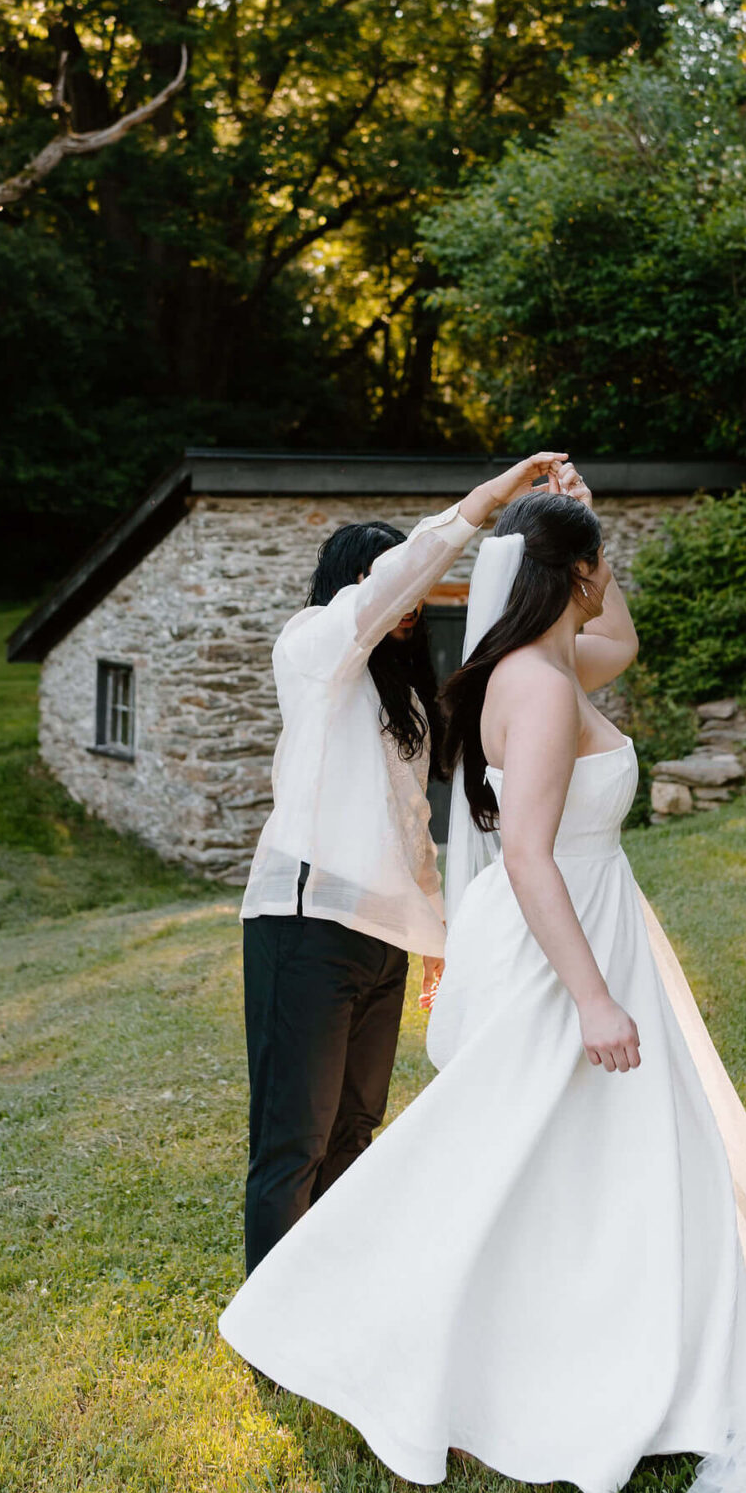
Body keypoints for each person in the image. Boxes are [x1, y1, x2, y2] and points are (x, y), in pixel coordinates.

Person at [221, 470, 746, 1493]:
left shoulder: (519, 667)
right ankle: (290, 1317)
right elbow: (532, 852)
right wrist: (594, 998)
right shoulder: (327, 647)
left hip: (455, 929)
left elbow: (602, 659)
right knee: (322, 1138)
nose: (408, 604)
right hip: (353, 926)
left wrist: (591, 543)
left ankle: (536, 1335)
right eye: (595, 569)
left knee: (419, 1137)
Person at [238, 450, 570, 1273]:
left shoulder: (402, 703)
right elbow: (395, 577)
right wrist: (483, 504)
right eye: (393, 588)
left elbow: (411, 827)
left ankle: (336, 1292)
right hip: (304, 925)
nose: (410, 606)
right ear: (354, 585)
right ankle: (271, 1321)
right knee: (294, 1140)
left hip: (381, 938)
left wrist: (432, 938)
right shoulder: (311, 651)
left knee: (355, 1131)